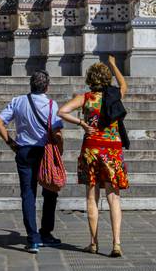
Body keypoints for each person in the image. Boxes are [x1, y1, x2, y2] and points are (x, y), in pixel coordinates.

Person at [59, 55, 129, 258]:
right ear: (107, 79)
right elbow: (124, 84)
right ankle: (116, 243)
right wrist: (114, 65)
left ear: (90, 79)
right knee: (113, 197)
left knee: (92, 196)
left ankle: (94, 242)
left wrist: (82, 123)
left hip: (91, 148)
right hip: (112, 149)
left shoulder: (86, 98)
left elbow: (62, 111)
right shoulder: (115, 96)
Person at [0, 71, 64, 253]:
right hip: (45, 152)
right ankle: (46, 233)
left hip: (24, 150)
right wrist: (59, 152)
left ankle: (33, 239)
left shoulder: (18, 101)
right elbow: (57, 134)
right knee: (50, 192)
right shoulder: (51, 105)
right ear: (46, 87)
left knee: (28, 194)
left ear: (30, 85)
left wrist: (11, 143)